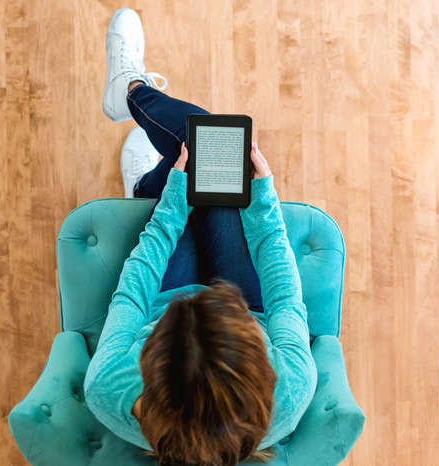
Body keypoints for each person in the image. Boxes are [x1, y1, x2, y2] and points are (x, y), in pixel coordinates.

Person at [83, 8, 318, 466]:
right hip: (247, 302)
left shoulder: (108, 386)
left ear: (150, 362)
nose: (201, 296)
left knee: (200, 148)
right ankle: (141, 143)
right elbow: (284, 299)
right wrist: (261, 198)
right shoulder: (289, 390)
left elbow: (132, 299)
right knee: (217, 152)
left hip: (160, 293)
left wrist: (174, 199)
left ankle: (133, 102)